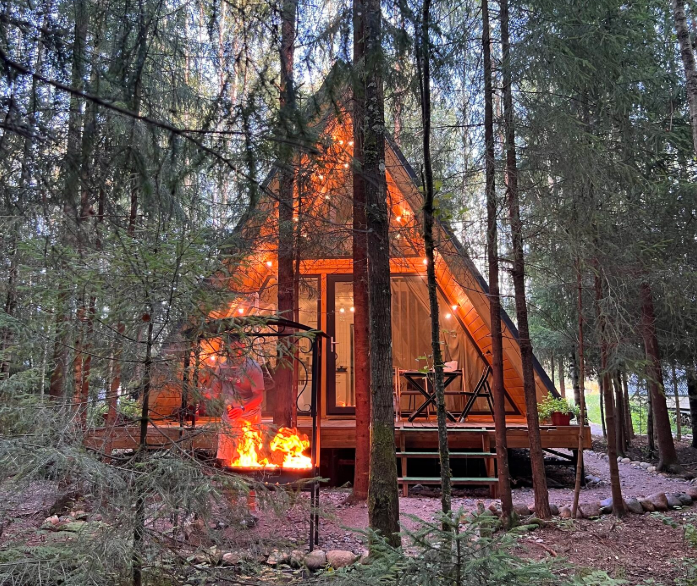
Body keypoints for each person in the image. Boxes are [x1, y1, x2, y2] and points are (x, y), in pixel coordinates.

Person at [206, 344, 265, 463]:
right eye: (230, 349)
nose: (233, 352)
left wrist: (242, 409)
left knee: (249, 460)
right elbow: (213, 393)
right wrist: (200, 390)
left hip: (250, 418)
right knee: (225, 461)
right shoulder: (222, 368)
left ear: (243, 346)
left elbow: (259, 396)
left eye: (236, 349)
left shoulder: (253, 368)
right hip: (228, 419)